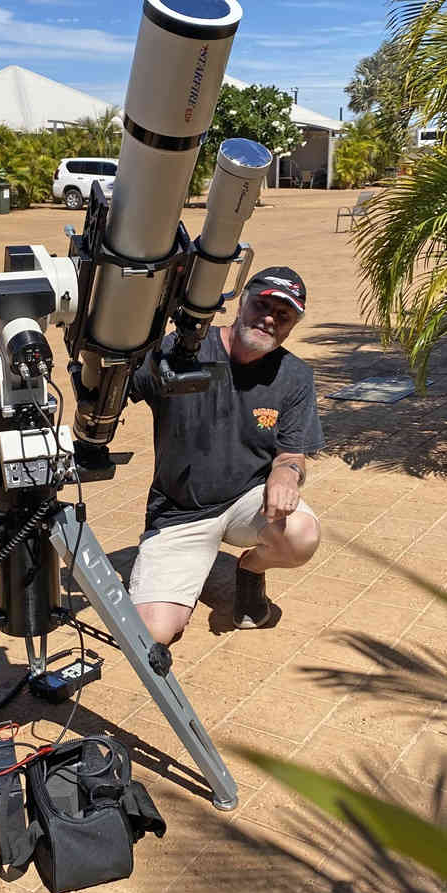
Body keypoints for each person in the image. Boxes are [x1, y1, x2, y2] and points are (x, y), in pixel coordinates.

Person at [128, 266, 324, 645]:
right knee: (152, 633)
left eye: (283, 315)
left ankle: (250, 568)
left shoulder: (295, 376)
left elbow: (291, 455)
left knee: (301, 535)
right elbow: (118, 390)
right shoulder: (183, 349)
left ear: (292, 326)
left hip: (247, 501)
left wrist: (287, 474)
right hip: (180, 511)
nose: (269, 319)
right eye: (262, 305)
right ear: (241, 303)